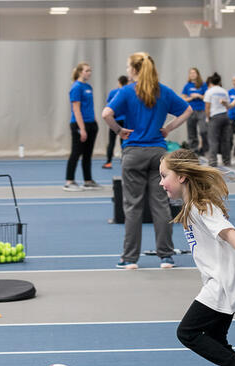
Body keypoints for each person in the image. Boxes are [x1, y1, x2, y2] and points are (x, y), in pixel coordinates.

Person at [158, 149, 235, 366]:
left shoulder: (201, 206)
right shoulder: (194, 206)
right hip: (226, 281)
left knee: (187, 333)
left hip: (222, 283)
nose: (161, 182)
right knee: (217, 341)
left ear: (182, 177)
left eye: (164, 176)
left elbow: (228, 232)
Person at [102, 52, 192, 270]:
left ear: (134, 69)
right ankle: (166, 257)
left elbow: (106, 114)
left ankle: (130, 258)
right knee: (161, 205)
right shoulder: (164, 91)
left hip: (133, 153)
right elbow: (188, 110)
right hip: (158, 154)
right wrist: (169, 128)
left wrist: (120, 130)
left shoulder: (126, 91)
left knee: (132, 207)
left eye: (127, 67)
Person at [65, 63, 100, 191]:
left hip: (91, 124)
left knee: (87, 154)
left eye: (90, 70)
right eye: (87, 70)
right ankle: (69, 181)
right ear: (80, 72)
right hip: (79, 124)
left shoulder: (88, 87)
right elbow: (76, 108)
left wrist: (94, 122)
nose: (89, 73)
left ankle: (88, 180)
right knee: (76, 153)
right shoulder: (76, 87)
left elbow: (90, 106)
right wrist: (82, 129)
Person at [203, 72, 230, 167]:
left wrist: (207, 117)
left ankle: (213, 161)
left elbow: (207, 107)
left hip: (215, 117)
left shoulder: (209, 91)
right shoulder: (224, 91)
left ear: (210, 82)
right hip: (225, 116)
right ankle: (227, 160)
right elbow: (228, 106)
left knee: (213, 140)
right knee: (225, 140)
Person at [103, 75, 129, 169]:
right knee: (124, 142)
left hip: (114, 121)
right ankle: (124, 161)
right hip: (125, 121)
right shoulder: (128, 92)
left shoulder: (113, 92)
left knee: (111, 142)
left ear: (119, 82)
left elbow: (109, 106)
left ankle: (108, 162)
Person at [181, 68, 208, 156]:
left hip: (201, 110)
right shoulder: (187, 86)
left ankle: (204, 149)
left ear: (197, 74)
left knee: (203, 130)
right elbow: (183, 98)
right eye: (190, 73)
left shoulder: (203, 85)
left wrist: (199, 96)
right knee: (191, 132)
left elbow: (207, 97)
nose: (192, 74)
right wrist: (191, 98)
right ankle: (194, 150)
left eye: (194, 73)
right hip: (190, 111)